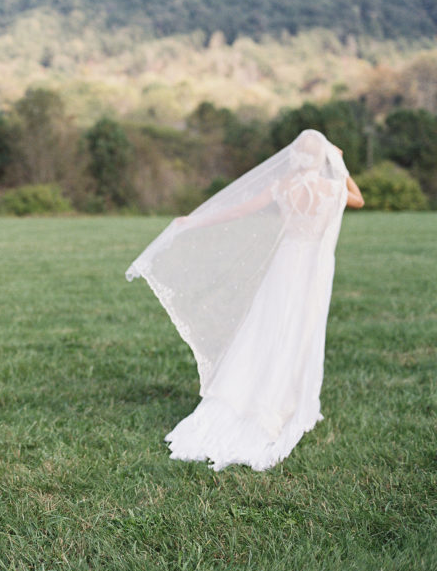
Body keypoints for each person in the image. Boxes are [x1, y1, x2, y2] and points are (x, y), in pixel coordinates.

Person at [126, 130, 364, 471]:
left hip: (286, 263)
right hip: (314, 267)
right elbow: (359, 200)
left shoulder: (283, 186)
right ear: (324, 157)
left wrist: (194, 220)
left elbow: (238, 210)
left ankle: (254, 391)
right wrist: (340, 165)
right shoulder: (332, 187)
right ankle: (288, 401)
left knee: (267, 326)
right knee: (301, 330)